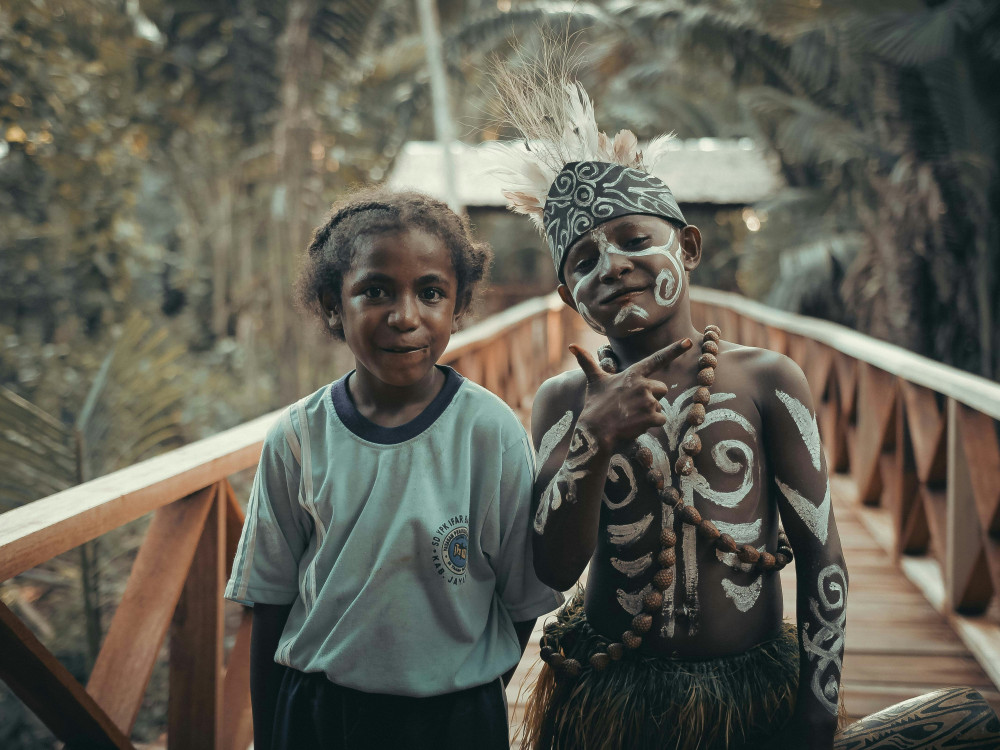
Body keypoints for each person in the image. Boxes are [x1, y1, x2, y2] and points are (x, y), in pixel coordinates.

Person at [488, 58, 1000, 750]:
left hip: (751, 690)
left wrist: (817, 714)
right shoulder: (564, 399)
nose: (610, 266)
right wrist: (594, 438)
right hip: (611, 695)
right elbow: (551, 570)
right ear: (567, 297)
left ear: (688, 247)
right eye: (582, 262)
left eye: (635, 241)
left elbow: (823, 557)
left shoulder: (767, 380)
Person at [224, 187, 564, 750]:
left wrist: (467, 685)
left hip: (453, 720)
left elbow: (521, 599)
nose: (405, 316)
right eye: (375, 291)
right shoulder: (299, 436)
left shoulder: (492, 433)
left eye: (430, 293)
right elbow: (270, 601)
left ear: (457, 307)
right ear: (335, 304)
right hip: (319, 714)